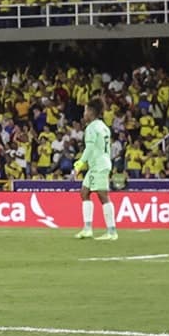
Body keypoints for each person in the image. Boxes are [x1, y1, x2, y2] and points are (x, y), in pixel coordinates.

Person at [75, 98, 119, 241]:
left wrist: (81, 162)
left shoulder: (92, 128)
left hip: (98, 165)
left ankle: (112, 231)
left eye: (85, 111)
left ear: (91, 112)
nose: (84, 114)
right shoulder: (104, 126)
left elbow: (90, 147)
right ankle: (87, 229)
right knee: (84, 192)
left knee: (102, 195)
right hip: (99, 163)